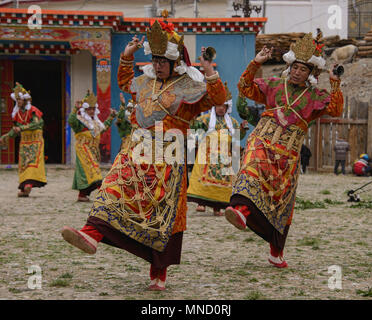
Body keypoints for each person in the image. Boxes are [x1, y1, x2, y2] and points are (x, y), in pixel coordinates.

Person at [61, 17, 226, 291]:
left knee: (162, 215)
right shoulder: (146, 82)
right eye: (156, 60)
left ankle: (158, 273)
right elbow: (125, 82)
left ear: (175, 62)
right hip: (137, 150)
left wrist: (209, 70)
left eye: (164, 61)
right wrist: (127, 55)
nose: (158, 65)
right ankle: (90, 234)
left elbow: (218, 99)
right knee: (113, 187)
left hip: (169, 159)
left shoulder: (190, 88)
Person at [224, 32, 344, 268]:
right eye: (296, 67)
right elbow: (245, 87)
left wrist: (335, 82)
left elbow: (336, 110)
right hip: (263, 140)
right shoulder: (274, 85)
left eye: (304, 69)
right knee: (251, 167)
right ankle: (239, 210)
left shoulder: (315, 96)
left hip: (288, 154)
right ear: (290, 66)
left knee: (281, 202)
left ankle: (275, 251)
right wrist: (256, 62)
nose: (298, 72)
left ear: (312, 73)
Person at [187, 82, 248, 216]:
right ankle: (201, 203)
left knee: (223, 183)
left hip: (225, 157)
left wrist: (242, 129)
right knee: (203, 179)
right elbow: (196, 129)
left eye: (224, 106)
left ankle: (218, 208)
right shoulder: (205, 119)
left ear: (228, 107)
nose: (221, 109)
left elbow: (237, 137)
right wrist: (192, 120)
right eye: (218, 105)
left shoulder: (233, 123)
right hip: (207, 155)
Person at [68, 90, 117, 202]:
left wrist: (111, 117)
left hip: (93, 150)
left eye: (93, 109)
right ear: (84, 109)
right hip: (83, 149)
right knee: (94, 172)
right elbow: (71, 121)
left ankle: (82, 195)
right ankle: (104, 194)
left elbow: (102, 129)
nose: (91, 111)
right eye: (88, 109)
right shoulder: (80, 121)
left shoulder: (95, 122)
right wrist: (75, 108)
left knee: (87, 173)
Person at [0, 82, 47, 197]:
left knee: (33, 162)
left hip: (36, 140)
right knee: (24, 164)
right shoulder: (17, 114)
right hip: (24, 142)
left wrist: (21, 128)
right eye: (17, 100)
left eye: (20, 99)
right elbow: (15, 129)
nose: (19, 101)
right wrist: (5, 136)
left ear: (25, 100)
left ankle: (28, 185)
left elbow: (38, 124)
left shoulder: (33, 110)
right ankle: (25, 187)